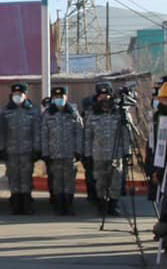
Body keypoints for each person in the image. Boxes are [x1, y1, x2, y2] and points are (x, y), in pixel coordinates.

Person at [83, 84, 131, 215]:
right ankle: (102, 205)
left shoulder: (119, 113)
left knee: (115, 180)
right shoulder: (91, 114)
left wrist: (127, 152)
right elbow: (88, 136)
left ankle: (114, 205)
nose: (103, 98)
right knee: (100, 181)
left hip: (116, 154)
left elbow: (126, 135)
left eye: (106, 96)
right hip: (98, 154)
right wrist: (87, 155)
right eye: (101, 96)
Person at [0, 82, 42, 214]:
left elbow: (36, 132)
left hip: (27, 151)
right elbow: (2, 132)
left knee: (26, 178)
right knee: (13, 178)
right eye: (15, 94)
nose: (17, 96)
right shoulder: (6, 113)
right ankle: (16, 205)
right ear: (11, 95)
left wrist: (36, 149)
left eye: (20, 94)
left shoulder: (32, 112)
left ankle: (26, 204)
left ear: (25, 95)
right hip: (11, 151)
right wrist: (1, 149)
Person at [41, 85, 83, 215]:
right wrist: (45, 152)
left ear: (66, 97)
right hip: (54, 154)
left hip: (70, 153)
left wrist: (78, 150)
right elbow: (44, 134)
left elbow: (79, 132)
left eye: (62, 96)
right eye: (57, 97)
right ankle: (59, 205)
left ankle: (69, 204)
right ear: (53, 98)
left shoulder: (73, 113)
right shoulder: (48, 114)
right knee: (57, 181)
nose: (59, 99)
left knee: (69, 181)